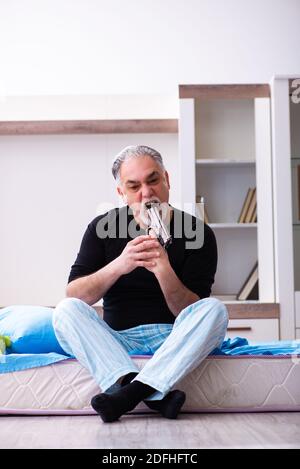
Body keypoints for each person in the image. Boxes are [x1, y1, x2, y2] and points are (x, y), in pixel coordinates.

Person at [52, 145, 228, 423]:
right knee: (65, 310)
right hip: (117, 340)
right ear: (121, 193)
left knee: (215, 310)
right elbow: (75, 294)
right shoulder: (101, 228)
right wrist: (120, 265)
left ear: (167, 180)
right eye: (134, 186)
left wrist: (163, 269)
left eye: (153, 180)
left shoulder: (199, 233)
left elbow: (193, 312)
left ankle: (127, 394)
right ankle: (150, 392)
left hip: (174, 338)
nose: (146, 193)